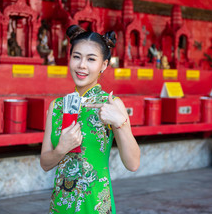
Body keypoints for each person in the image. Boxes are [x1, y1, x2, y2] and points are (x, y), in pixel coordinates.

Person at [40, 25, 140, 213]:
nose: (82, 65)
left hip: (96, 204)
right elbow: (45, 163)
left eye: (91, 59)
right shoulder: (57, 107)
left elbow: (133, 164)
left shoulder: (112, 105)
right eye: (76, 57)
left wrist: (121, 124)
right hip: (61, 205)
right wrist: (62, 148)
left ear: (104, 65)